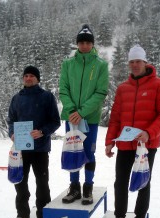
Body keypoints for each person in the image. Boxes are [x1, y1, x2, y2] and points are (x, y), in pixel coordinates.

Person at [104, 45, 160, 218]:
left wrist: (149, 133)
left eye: (138, 61)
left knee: (143, 183)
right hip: (125, 144)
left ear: (145, 62)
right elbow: (116, 117)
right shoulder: (123, 88)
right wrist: (110, 141)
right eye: (131, 62)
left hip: (146, 145)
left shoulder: (158, 85)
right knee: (120, 183)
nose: (134, 65)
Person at [59, 24, 109, 205]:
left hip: (90, 118)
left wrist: (81, 112)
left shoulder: (101, 65)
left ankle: (88, 187)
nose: (85, 45)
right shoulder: (67, 64)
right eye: (82, 42)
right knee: (72, 150)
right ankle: (74, 187)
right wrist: (72, 111)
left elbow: (101, 92)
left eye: (88, 42)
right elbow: (63, 89)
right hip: (71, 119)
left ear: (92, 44)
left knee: (88, 152)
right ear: (77, 44)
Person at [8, 66, 61, 218]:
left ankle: (43, 216)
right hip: (21, 150)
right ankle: (23, 214)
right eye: (26, 76)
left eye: (31, 76)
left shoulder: (46, 97)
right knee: (20, 182)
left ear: (38, 79)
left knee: (42, 183)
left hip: (40, 148)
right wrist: (12, 134)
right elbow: (11, 121)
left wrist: (43, 132)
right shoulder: (16, 98)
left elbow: (55, 121)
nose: (28, 78)